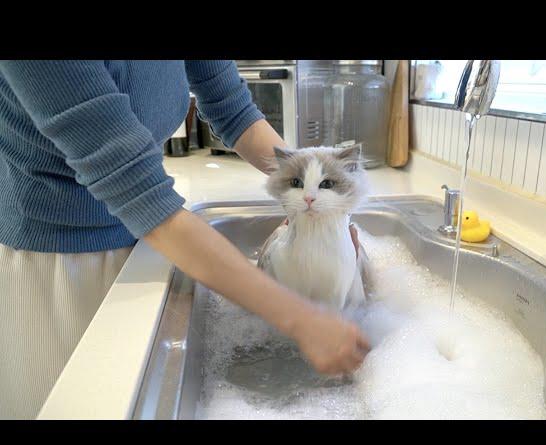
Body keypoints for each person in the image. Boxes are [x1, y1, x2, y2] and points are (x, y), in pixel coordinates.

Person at [0, 60, 371, 420]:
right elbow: (134, 186)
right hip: (58, 263)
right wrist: (302, 319)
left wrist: (322, 206)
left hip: (150, 242)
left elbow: (231, 106)